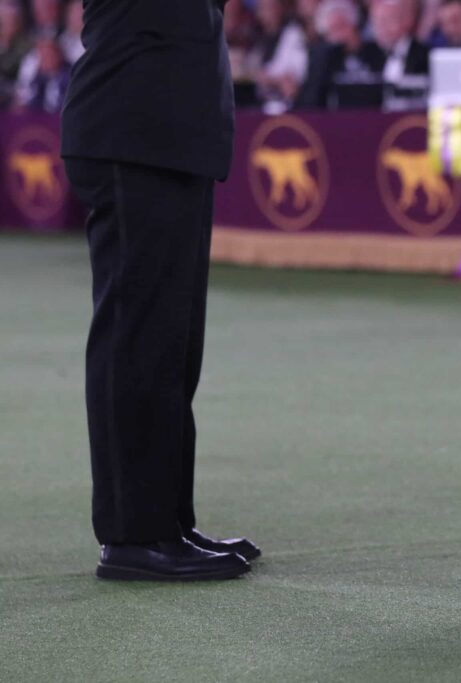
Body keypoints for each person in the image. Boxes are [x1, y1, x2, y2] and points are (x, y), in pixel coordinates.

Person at [61, 0, 259, 581]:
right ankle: (134, 534)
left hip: (172, 137)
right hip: (134, 130)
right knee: (139, 340)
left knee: (172, 346)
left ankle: (167, 521)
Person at [294, 0, 387, 109]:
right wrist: (324, 60)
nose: (338, 35)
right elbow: (308, 103)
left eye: (341, 26)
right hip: (336, 121)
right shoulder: (323, 61)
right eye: (331, 31)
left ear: (354, 24)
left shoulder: (377, 53)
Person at [369, 0, 430, 111]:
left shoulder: (425, 56)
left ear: (407, 20)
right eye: (377, 22)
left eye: (387, 21)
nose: (382, 28)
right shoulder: (369, 55)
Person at [0, 0, 32, 109]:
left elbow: (26, 77)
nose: (10, 25)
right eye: (6, 20)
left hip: (16, 95)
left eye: (14, 20)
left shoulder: (26, 46)